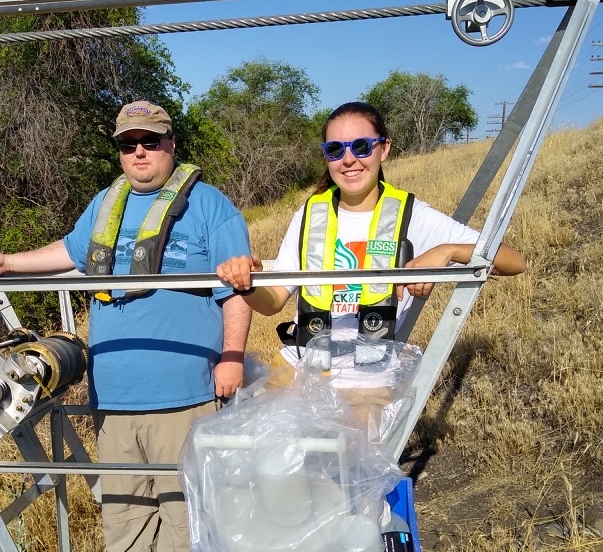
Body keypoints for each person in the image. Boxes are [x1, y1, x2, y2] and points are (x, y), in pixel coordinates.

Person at [0, 100, 252, 552]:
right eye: (128, 144)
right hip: (115, 391)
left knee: (183, 502)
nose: (139, 152)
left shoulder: (209, 206)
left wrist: (232, 357)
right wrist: (6, 262)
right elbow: (68, 253)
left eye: (150, 141)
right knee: (122, 499)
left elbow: (237, 287)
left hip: (187, 389)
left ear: (172, 144)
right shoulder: (106, 203)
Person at [216, 100, 525, 364]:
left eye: (361, 146)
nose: (348, 159)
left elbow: (514, 262)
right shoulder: (309, 215)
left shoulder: (413, 215)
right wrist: (247, 284)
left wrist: (448, 251)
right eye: (335, 149)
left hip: (370, 375)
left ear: (384, 149)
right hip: (303, 366)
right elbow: (272, 304)